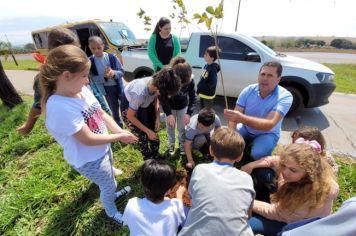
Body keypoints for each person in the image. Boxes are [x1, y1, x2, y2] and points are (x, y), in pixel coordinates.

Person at [40, 45, 138, 225]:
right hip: (88, 159)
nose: (87, 81)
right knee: (108, 184)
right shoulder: (59, 106)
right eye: (84, 76)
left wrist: (118, 130)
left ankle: (111, 193)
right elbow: (87, 139)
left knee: (109, 180)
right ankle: (110, 211)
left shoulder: (79, 89)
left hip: (102, 148)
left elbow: (101, 112)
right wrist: (118, 137)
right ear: (66, 76)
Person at [17, 27, 110, 135]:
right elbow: (38, 104)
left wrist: (104, 109)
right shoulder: (46, 77)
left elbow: (93, 90)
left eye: (78, 49)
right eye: (71, 50)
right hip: (75, 124)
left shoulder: (80, 65)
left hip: (94, 115)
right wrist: (28, 126)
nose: (76, 54)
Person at [224, 61, 293, 197]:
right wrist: (231, 137)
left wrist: (241, 118)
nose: (264, 78)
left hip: (267, 133)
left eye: (270, 75)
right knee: (227, 140)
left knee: (257, 153)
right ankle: (241, 148)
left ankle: (254, 163)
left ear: (278, 79)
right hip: (246, 128)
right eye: (262, 74)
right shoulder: (248, 90)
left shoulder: (285, 96)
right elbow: (234, 118)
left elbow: (269, 124)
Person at [247, 143, 339, 236]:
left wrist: (248, 200)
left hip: (294, 225)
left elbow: (273, 212)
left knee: (246, 224)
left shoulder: (305, 197)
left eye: (293, 170)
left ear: (308, 173)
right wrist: (251, 165)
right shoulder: (313, 174)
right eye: (284, 165)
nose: (285, 172)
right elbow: (276, 160)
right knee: (262, 171)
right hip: (285, 209)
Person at [179, 127, 255, 236]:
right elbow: (248, 214)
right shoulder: (247, 178)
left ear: (211, 150)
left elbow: (193, 199)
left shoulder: (200, 169)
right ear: (240, 157)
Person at [121, 67, 181, 160]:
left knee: (154, 131)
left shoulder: (157, 84)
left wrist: (157, 117)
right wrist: (147, 131)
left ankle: (156, 155)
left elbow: (156, 99)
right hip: (130, 109)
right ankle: (148, 159)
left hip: (145, 104)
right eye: (166, 94)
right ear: (159, 88)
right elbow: (130, 116)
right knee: (142, 137)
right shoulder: (139, 94)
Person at [122, 159, 186, 235]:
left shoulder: (132, 204)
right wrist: (179, 195)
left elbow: (125, 223)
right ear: (169, 191)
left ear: (142, 183)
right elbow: (182, 220)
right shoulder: (175, 205)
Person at [160, 56, 196, 155]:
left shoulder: (190, 80)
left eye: (184, 84)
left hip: (182, 107)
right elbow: (163, 97)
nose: (182, 86)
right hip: (170, 107)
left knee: (182, 128)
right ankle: (171, 144)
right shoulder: (168, 78)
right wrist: (168, 114)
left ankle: (182, 145)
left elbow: (193, 97)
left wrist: (188, 113)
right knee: (170, 127)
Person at [88, 36, 125, 127]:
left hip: (119, 87)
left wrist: (113, 73)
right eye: (93, 48)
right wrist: (104, 77)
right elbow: (93, 79)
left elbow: (121, 72)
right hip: (107, 90)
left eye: (99, 48)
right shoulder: (90, 61)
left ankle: (131, 123)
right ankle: (119, 127)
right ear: (89, 47)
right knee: (114, 109)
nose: (96, 50)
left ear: (103, 46)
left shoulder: (111, 57)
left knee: (125, 106)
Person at [280, 196, 356, 236]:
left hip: (294, 230)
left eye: (293, 170)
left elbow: (280, 213)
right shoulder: (331, 187)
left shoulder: (353, 204)